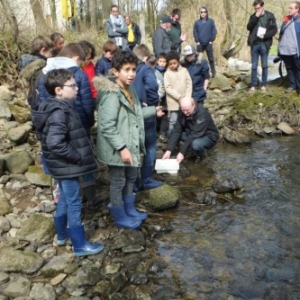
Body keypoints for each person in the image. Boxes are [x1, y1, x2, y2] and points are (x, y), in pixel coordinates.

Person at [31, 69, 104, 257]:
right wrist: (77, 157)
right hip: (67, 166)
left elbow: (45, 137)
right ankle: (80, 245)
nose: (77, 88)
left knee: (64, 197)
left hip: (60, 166)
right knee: (74, 202)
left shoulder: (51, 107)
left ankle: (62, 235)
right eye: (72, 85)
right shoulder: (59, 112)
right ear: (58, 90)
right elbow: (54, 142)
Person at [93, 51, 164, 229]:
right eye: (127, 70)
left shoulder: (129, 88)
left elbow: (136, 113)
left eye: (133, 69)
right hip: (117, 148)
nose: (132, 74)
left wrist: (153, 111)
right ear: (116, 72)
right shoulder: (111, 94)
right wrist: (122, 148)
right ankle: (119, 215)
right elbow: (107, 126)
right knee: (118, 181)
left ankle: (129, 208)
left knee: (131, 177)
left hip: (130, 143)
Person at [37, 43, 101, 208]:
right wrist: (90, 122)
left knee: (59, 162)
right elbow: (87, 103)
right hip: (77, 124)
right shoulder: (78, 75)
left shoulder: (43, 74)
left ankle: (60, 197)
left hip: (50, 127)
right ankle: (90, 196)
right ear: (76, 58)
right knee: (84, 159)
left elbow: (38, 105)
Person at [132, 45, 162, 192]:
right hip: (146, 113)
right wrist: (153, 105)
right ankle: (146, 179)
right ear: (145, 57)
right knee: (150, 147)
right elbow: (152, 87)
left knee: (135, 147)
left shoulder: (127, 70)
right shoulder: (146, 69)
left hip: (132, 114)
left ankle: (135, 183)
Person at [162, 96, 219, 163]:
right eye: (183, 110)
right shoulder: (182, 111)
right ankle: (180, 148)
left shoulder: (202, 114)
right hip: (190, 132)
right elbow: (177, 130)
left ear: (193, 105)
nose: (185, 113)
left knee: (195, 144)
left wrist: (182, 153)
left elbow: (194, 135)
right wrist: (169, 150)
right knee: (170, 133)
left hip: (208, 136)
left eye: (188, 110)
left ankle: (202, 155)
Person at [247, 0, 277, 92]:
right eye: (255, 8)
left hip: (265, 44)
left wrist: (266, 36)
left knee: (264, 65)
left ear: (263, 6)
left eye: (258, 8)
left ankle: (264, 84)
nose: (257, 10)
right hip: (255, 44)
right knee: (254, 66)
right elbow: (249, 27)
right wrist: (256, 16)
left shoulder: (270, 16)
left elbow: (274, 30)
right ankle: (253, 85)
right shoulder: (253, 16)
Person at [18, 35, 54, 109]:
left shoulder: (26, 63)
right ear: (43, 50)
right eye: (50, 51)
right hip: (37, 106)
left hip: (25, 103)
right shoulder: (41, 67)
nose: (51, 54)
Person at [164, 50, 192, 136]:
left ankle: (185, 137)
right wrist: (179, 97)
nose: (172, 65)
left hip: (185, 101)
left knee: (186, 118)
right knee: (173, 120)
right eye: (170, 64)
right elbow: (168, 88)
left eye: (174, 63)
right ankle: (171, 136)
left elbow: (189, 83)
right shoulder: (167, 73)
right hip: (174, 102)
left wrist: (187, 97)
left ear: (178, 61)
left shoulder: (184, 70)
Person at [278, 2, 300, 95]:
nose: (289, 10)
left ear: (297, 9)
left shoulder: (299, 21)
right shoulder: (286, 20)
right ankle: (292, 86)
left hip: (296, 51)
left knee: (298, 69)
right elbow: (281, 33)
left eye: (291, 8)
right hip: (285, 51)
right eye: (289, 8)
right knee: (289, 69)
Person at [193, 7, 217, 77]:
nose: (203, 13)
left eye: (204, 12)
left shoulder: (211, 21)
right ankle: (198, 74)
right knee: (198, 60)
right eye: (201, 12)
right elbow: (195, 32)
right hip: (200, 43)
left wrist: (211, 40)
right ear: (200, 13)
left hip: (208, 43)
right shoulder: (197, 22)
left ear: (207, 13)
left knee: (211, 59)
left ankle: (213, 73)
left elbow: (214, 31)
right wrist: (197, 41)